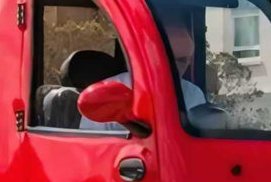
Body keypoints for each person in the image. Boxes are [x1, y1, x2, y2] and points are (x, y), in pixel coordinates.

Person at [79, 21, 208, 131]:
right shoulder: (107, 92)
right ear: (150, 55)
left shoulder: (192, 94)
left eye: (184, 60)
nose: (176, 68)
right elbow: (91, 149)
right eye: (170, 59)